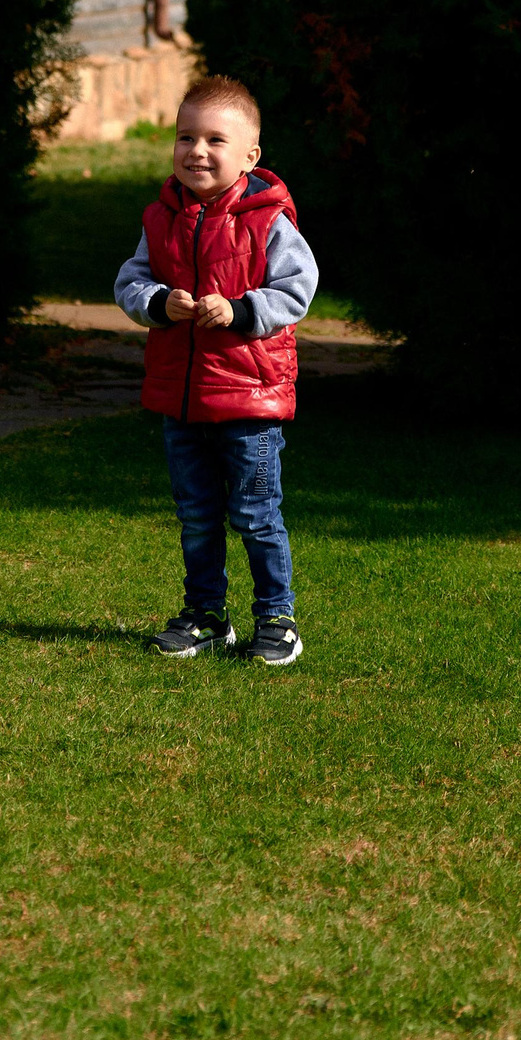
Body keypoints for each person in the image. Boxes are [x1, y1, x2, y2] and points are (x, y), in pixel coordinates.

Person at [113, 76, 320, 665]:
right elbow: (131, 281)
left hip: (249, 399)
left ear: (251, 156)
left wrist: (239, 310)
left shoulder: (268, 219)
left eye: (214, 140)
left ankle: (277, 619)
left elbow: (296, 291)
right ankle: (206, 616)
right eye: (185, 137)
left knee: (256, 516)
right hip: (182, 402)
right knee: (197, 517)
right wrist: (157, 301)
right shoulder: (161, 216)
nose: (196, 151)